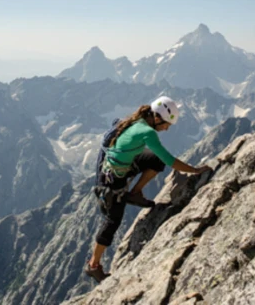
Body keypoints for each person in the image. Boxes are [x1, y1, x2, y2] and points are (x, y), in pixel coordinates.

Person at [84, 96, 212, 283]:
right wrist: (195, 170)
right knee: (112, 220)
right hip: (111, 181)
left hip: (119, 166)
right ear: (158, 118)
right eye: (166, 124)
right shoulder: (147, 132)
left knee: (154, 160)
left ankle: (135, 193)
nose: (167, 128)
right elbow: (170, 160)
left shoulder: (138, 120)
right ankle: (93, 265)